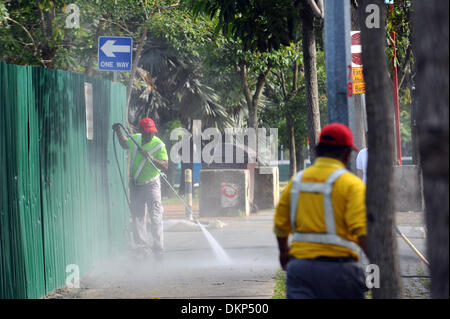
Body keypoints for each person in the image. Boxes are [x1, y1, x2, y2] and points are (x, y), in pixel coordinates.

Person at [274, 123, 368, 299]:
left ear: (317, 151)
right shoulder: (352, 185)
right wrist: (380, 263)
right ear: (347, 155)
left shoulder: (296, 182)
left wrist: (284, 252)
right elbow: (362, 231)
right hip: (341, 272)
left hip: (300, 271)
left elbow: (280, 224)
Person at [112, 118, 168, 258]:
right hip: (136, 186)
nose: (150, 135)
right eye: (147, 132)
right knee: (138, 217)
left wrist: (151, 158)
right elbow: (125, 144)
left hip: (151, 185)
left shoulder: (159, 145)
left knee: (155, 217)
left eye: (152, 132)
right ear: (141, 131)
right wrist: (118, 131)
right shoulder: (135, 139)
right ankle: (141, 249)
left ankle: (158, 249)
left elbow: (165, 165)